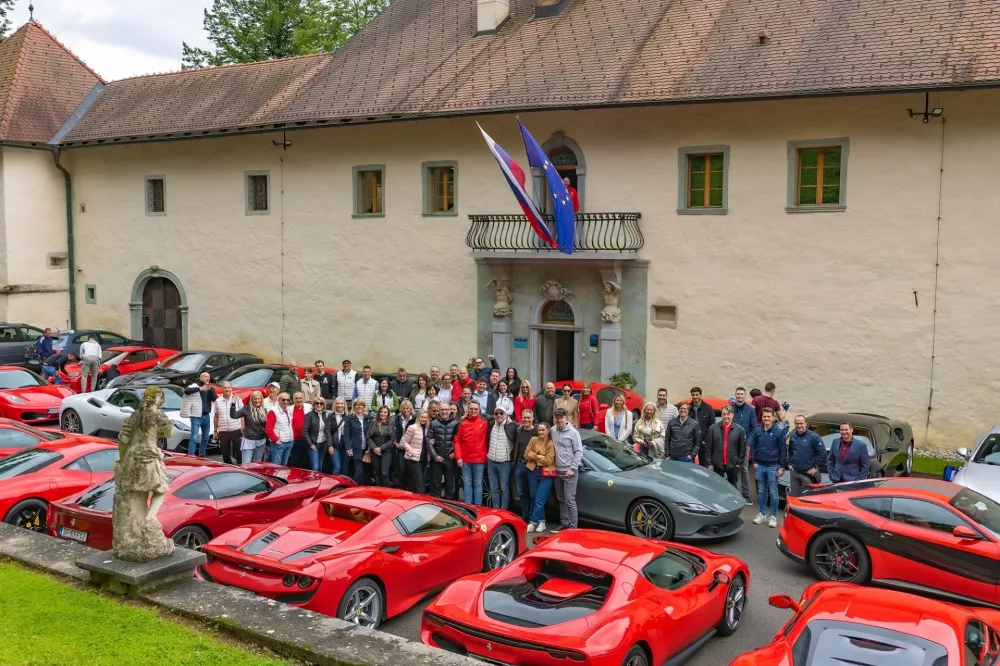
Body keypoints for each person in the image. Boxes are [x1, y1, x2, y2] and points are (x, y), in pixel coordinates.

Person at [749, 408, 787, 527]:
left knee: (773, 492)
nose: (766, 419)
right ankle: (762, 514)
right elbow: (753, 446)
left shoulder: (779, 432)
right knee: (761, 491)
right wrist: (754, 461)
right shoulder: (757, 431)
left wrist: (781, 467)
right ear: (762, 418)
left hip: (773, 466)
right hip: (760, 466)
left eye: (768, 417)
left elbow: (782, 450)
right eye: (764, 416)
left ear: (773, 418)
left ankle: (773, 516)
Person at [551, 408, 583, 533]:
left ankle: (573, 527)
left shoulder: (573, 432)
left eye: (561, 417)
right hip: (557, 470)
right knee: (561, 498)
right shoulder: (553, 430)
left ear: (566, 418)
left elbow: (579, 451)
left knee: (570, 500)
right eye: (556, 417)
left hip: (569, 471)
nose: (559, 420)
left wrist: (572, 468)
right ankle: (564, 523)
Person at [524, 421, 556, 533]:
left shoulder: (550, 443)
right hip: (533, 471)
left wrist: (535, 455)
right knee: (534, 497)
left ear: (548, 431)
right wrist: (540, 456)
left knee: (539, 500)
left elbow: (548, 460)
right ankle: (542, 521)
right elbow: (526, 454)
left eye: (543, 430)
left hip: (545, 475)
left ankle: (532, 522)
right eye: (539, 430)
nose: (541, 432)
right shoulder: (533, 440)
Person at [455, 401, 488, 505]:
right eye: (471, 409)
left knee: (478, 484)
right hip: (465, 460)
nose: (473, 411)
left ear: (479, 411)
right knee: (467, 483)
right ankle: (468, 506)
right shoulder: (462, 424)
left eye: (476, 409)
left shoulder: (484, 423)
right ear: (467, 410)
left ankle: (478, 507)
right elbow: (457, 441)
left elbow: (499, 417)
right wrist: (458, 457)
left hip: (479, 460)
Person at [706, 405, 747, 487]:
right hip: (717, 464)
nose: (726, 416)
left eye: (728, 414)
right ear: (721, 415)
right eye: (724, 414)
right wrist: (709, 463)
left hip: (732, 465)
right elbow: (708, 447)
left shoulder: (740, 430)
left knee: (733, 487)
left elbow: (742, 449)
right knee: (717, 486)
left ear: (732, 415)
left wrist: (739, 463)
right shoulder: (713, 428)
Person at [486, 405, 517, 510]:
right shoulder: (491, 424)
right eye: (496, 413)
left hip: (504, 463)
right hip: (491, 462)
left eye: (501, 413)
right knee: (493, 488)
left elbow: (524, 426)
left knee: (504, 488)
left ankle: (503, 510)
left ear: (506, 415)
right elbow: (482, 414)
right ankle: (495, 509)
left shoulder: (511, 426)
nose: (499, 415)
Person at [730, 387, 757, 505]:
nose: (739, 396)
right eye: (738, 394)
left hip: (744, 445)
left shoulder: (750, 410)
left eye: (741, 394)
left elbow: (753, 428)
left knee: (744, 469)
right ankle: (733, 494)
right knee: (731, 469)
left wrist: (748, 443)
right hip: (731, 444)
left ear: (745, 396)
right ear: (735, 396)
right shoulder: (731, 409)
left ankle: (745, 495)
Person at [428, 402, 459, 499]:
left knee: (449, 484)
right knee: (436, 484)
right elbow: (428, 441)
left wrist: (455, 453)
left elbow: (460, 441)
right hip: (437, 458)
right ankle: (435, 505)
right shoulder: (433, 423)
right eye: (442, 410)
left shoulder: (456, 423)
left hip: (450, 458)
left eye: (446, 409)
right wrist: (434, 456)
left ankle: (449, 507)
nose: (444, 412)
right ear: (438, 411)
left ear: (450, 411)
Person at [182, 372, 216, 456]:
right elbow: (186, 391)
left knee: (205, 437)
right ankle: (191, 456)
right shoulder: (195, 386)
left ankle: (202, 454)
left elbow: (214, 399)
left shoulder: (210, 388)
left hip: (206, 415)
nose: (207, 378)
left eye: (208, 377)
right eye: (205, 377)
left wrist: (210, 389)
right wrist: (200, 389)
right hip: (196, 416)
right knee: (194, 437)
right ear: (200, 378)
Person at [787, 415, 825, 491]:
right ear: (794, 424)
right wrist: (789, 463)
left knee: (807, 498)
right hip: (794, 473)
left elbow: (822, 454)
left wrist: (816, 468)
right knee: (795, 496)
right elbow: (790, 451)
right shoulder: (793, 437)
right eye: (797, 423)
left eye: (801, 423)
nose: (799, 425)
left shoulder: (814, 437)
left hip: (808, 474)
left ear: (806, 423)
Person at [232, 390, 268, 464]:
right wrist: (233, 404)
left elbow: (266, 426)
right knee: (246, 464)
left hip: (261, 440)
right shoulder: (246, 408)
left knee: (257, 464)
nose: (257, 401)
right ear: (251, 399)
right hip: (249, 439)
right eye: (255, 399)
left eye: (259, 399)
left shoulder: (264, 410)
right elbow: (234, 415)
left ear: (261, 399)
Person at [513, 409, 537, 522]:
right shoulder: (519, 430)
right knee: (522, 492)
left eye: (528, 417)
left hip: (533, 465)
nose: (526, 419)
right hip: (520, 463)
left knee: (533, 493)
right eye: (524, 417)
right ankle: (525, 514)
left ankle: (533, 516)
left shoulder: (537, 431)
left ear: (532, 418)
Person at [214, 381, 244, 465]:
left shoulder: (237, 399)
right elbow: (216, 416)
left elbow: (242, 414)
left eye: (228, 387)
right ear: (222, 389)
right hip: (223, 431)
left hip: (236, 430)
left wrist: (242, 426)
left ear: (231, 389)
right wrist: (215, 430)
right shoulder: (218, 401)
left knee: (239, 452)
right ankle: (229, 469)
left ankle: (241, 469)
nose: (227, 389)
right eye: (225, 388)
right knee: (225, 453)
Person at [400, 410, 429, 493]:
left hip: (424, 458)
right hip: (413, 458)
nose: (424, 419)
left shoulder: (427, 428)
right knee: (419, 483)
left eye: (425, 417)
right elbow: (404, 442)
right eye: (422, 417)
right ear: (418, 417)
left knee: (415, 482)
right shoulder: (412, 427)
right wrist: (411, 451)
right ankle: (422, 501)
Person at [688, 387, 716, 468]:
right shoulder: (688, 408)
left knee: (703, 465)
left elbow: (712, 426)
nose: (695, 397)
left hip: (703, 442)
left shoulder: (708, 408)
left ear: (700, 395)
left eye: (697, 394)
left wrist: (707, 440)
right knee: (690, 465)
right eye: (693, 395)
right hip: (690, 441)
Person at [367, 405, 395, 486]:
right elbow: (368, 437)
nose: (383, 414)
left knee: (384, 473)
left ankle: (386, 491)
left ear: (388, 413)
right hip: (374, 452)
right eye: (381, 412)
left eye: (385, 412)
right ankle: (379, 491)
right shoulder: (373, 422)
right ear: (379, 413)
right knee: (377, 474)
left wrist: (380, 449)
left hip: (386, 452)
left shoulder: (391, 423)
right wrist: (375, 448)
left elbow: (392, 440)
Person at [343, 398, 369, 485]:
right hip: (355, 448)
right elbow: (346, 435)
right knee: (359, 471)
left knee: (365, 472)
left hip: (366, 449)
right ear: (354, 406)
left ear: (364, 406)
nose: (359, 406)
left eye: (361, 405)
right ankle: (353, 487)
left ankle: (362, 490)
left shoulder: (368, 418)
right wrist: (348, 449)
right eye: (357, 405)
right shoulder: (349, 418)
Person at [303, 396, 332, 472]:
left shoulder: (326, 415)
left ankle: (320, 482)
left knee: (320, 465)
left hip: (323, 444)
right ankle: (313, 482)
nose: (319, 405)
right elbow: (304, 432)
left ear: (324, 405)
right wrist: (311, 444)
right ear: (314, 405)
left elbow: (328, 430)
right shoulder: (309, 415)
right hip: (313, 444)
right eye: (317, 403)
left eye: (321, 403)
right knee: (315, 467)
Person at [265, 392, 295, 465]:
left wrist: (293, 437)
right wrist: (277, 441)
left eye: (288, 400)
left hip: (289, 441)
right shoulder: (273, 411)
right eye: (283, 399)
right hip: (279, 443)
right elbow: (268, 430)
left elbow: (291, 425)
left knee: (284, 466)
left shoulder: (289, 410)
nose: (286, 402)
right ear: (278, 400)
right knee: (276, 467)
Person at [393, 400, 416, 486]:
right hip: (400, 447)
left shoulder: (415, 418)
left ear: (411, 409)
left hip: (411, 447)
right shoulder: (398, 418)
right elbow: (394, 431)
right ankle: (400, 488)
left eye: (408, 408)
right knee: (401, 469)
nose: (406, 410)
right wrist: (395, 442)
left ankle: (409, 489)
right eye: (404, 408)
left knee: (409, 470)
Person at [287, 391, 310, 469]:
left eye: (300, 398)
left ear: (303, 399)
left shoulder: (309, 407)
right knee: (295, 461)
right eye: (296, 398)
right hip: (294, 440)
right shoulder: (289, 409)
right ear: (293, 400)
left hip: (306, 439)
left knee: (306, 461)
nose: (298, 400)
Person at [328, 397, 349, 475]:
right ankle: (335, 485)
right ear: (335, 405)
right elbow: (328, 431)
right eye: (338, 403)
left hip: (345, 446)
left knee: (345, 467)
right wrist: (330, 445)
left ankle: (344, 486)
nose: (340, 405)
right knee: (337, 467)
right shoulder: (331, 416)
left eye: (341, 403)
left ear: (344, 405)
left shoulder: (348, 416)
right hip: (334, 445)